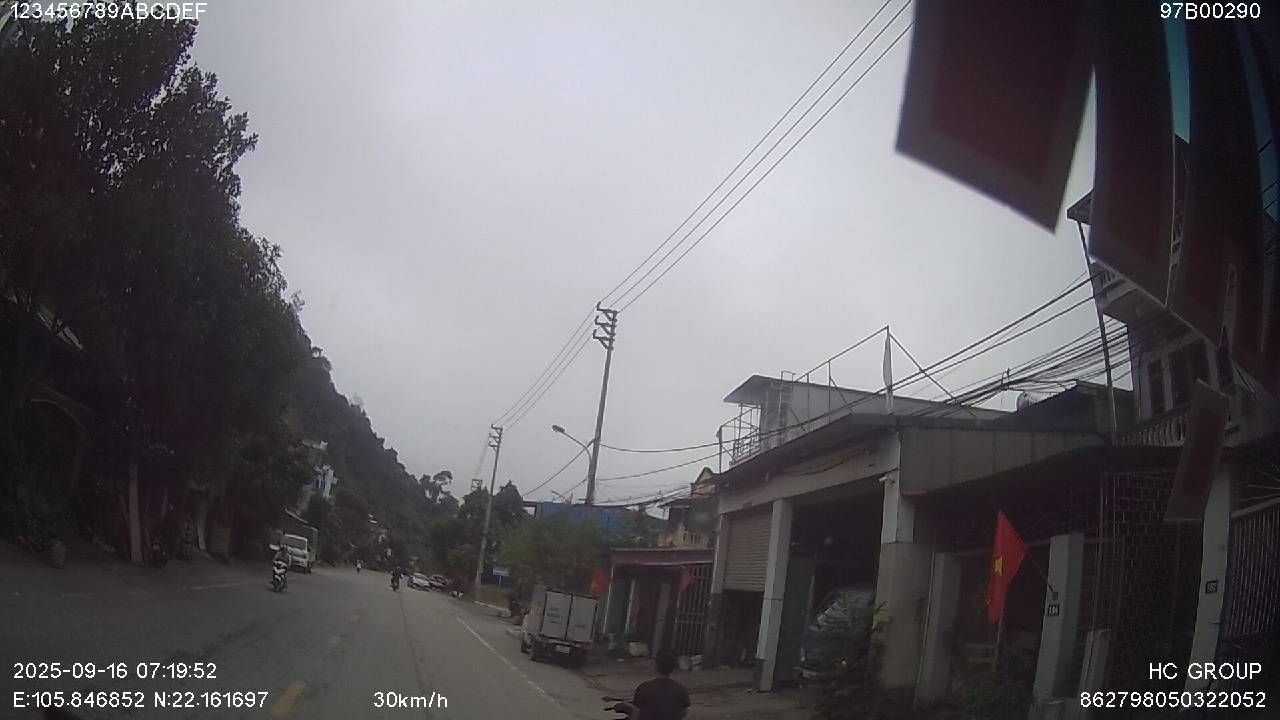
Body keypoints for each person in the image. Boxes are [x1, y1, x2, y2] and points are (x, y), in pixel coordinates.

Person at [629, 651, 689, 720]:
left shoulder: (644, 687)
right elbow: (684, 713)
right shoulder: (681, 689)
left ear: (656, 667)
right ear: (672, 669)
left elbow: (636, 715)